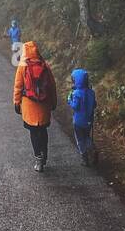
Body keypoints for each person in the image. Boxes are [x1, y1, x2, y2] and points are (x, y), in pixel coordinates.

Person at [12, 40, 57, 172]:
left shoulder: (22, 66)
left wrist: (16, 102)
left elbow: (18, 86)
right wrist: (54, 102)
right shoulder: (45, 66)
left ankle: (38, 160)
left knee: (34, 133)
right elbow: (52, 87)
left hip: (29, 107)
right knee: (43, 131)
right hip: (44, 106)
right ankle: (44, 154)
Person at [67, 67, 97, 165]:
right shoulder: (91, 92)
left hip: (79, 121)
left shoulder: (76, 93)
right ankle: (92, 148)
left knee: (80, 139)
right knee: (87, 136)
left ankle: (85, 158)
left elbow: (75, 107)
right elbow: (94, 105)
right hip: (89, 120)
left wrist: (69, 100)